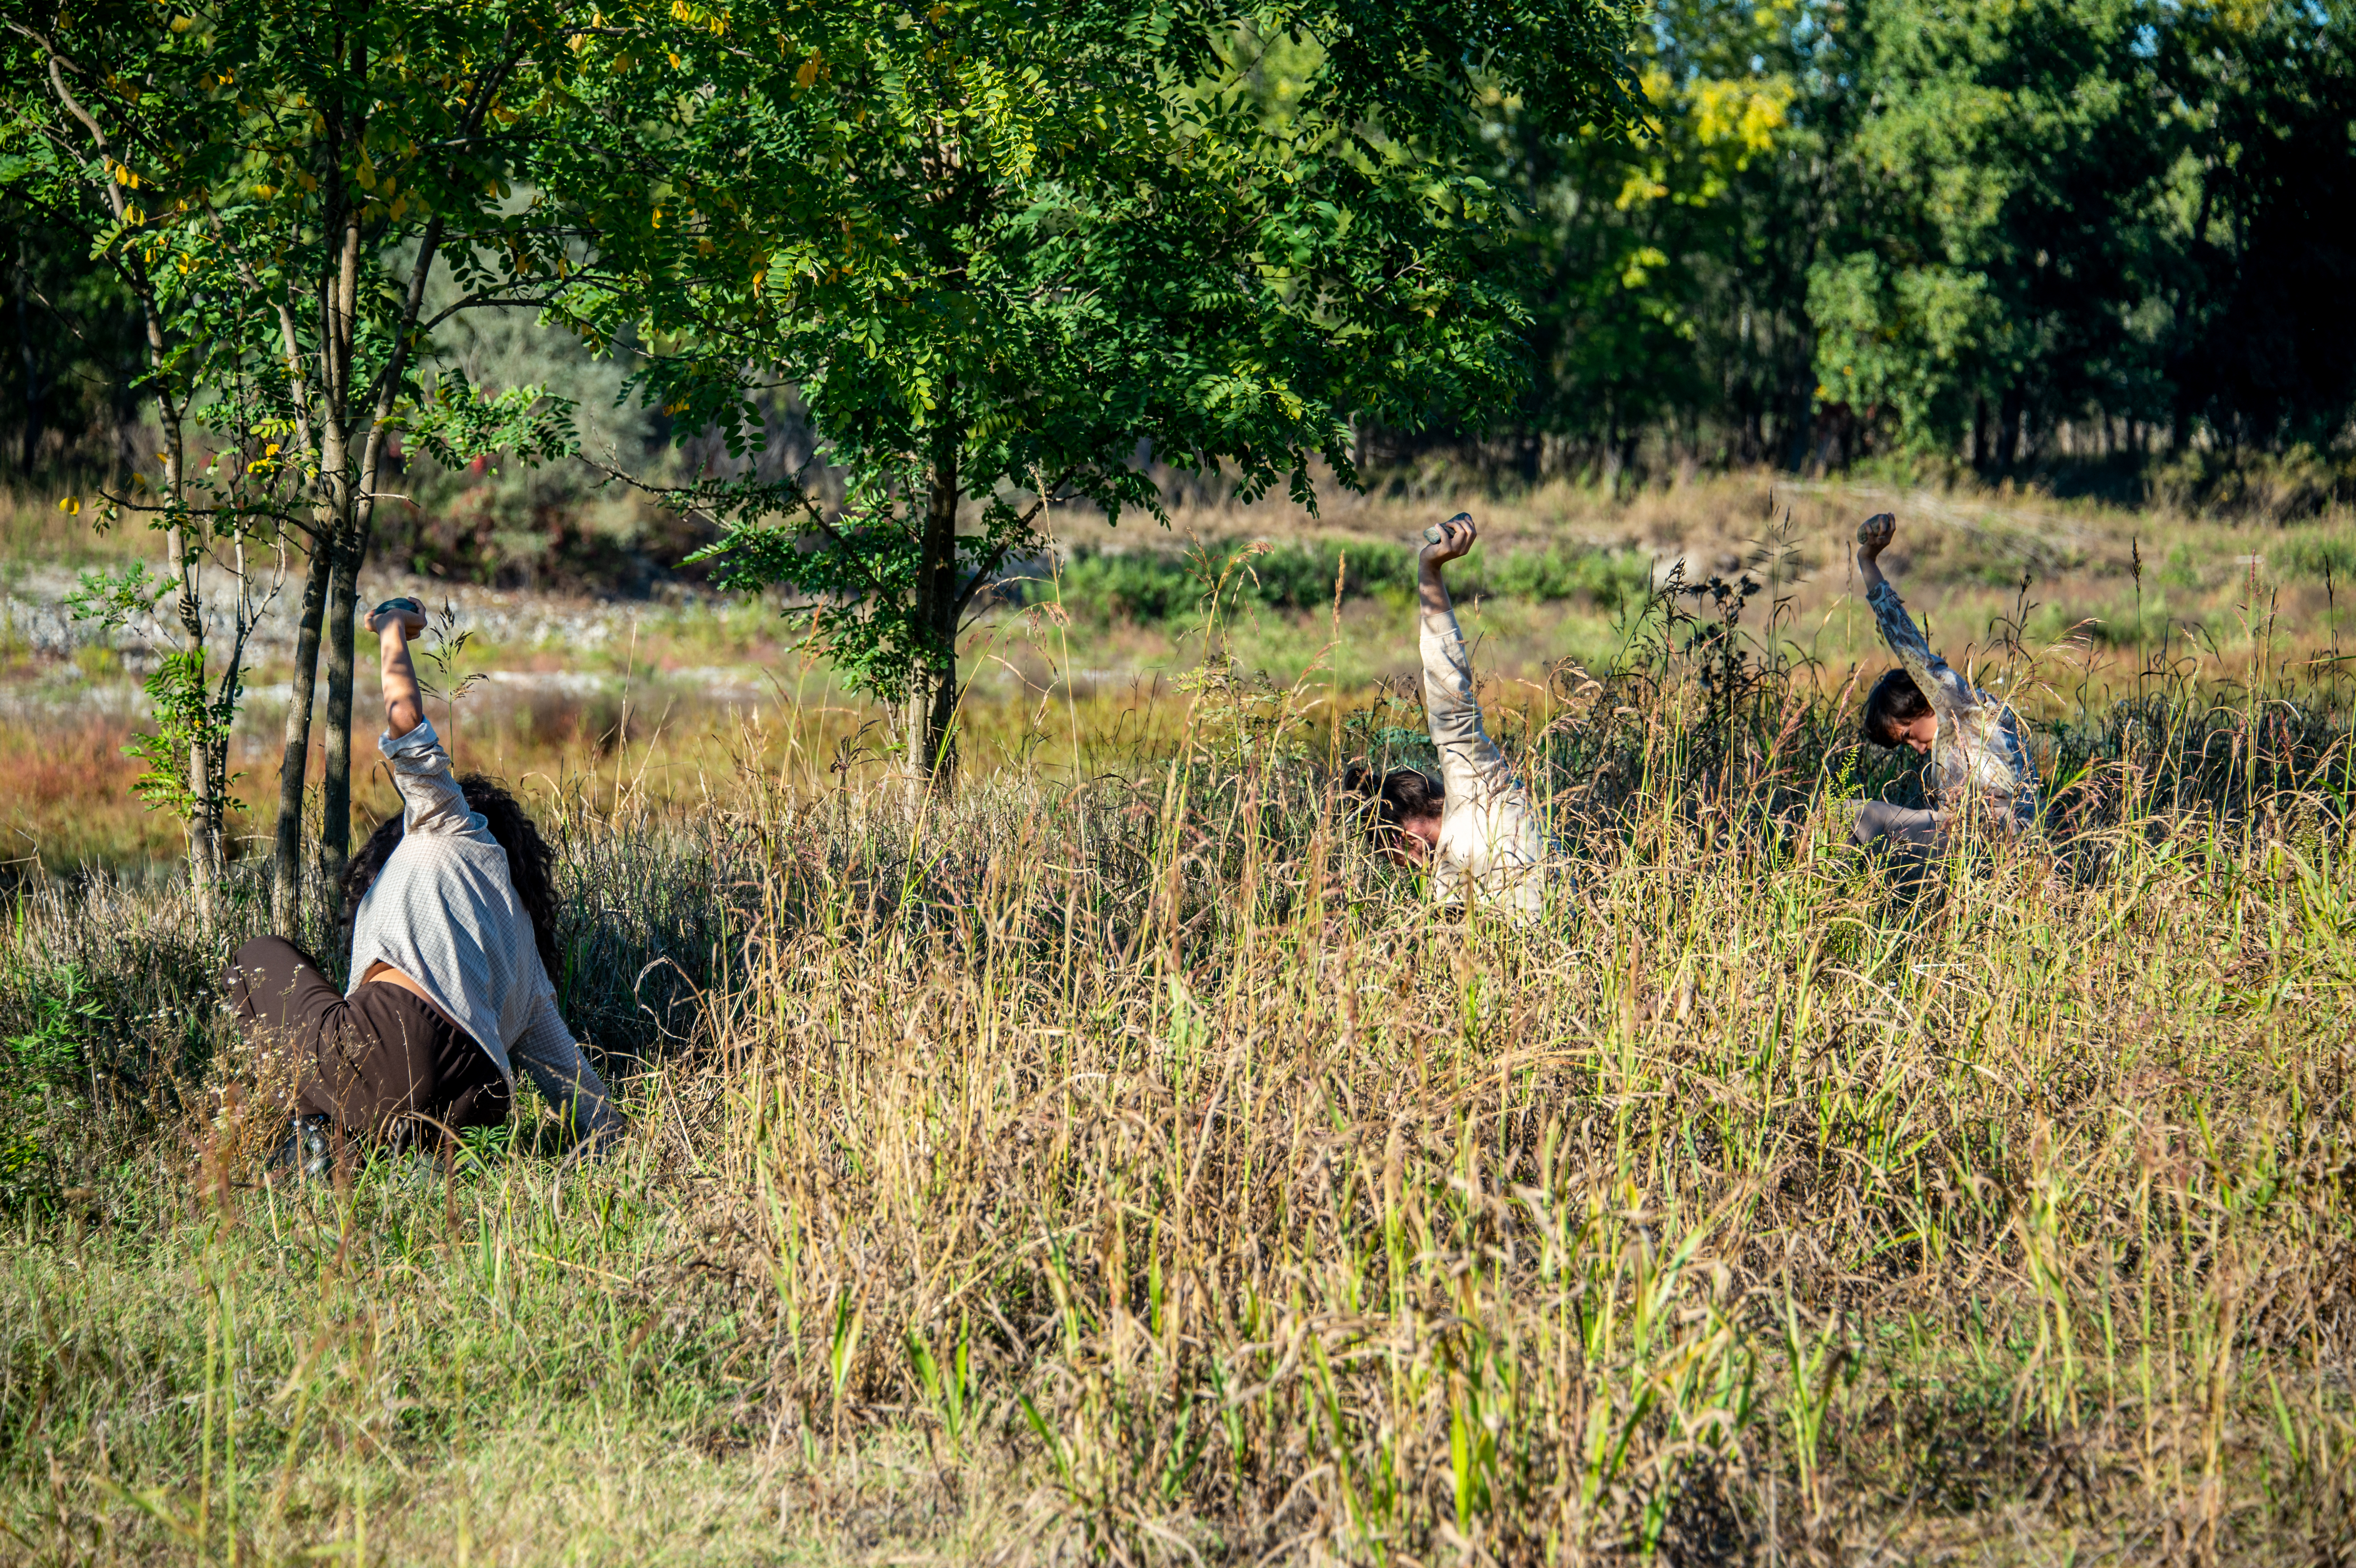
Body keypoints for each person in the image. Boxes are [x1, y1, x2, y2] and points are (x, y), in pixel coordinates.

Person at [225, 596, 623, 1174]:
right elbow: (578, 1090)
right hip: (474, 1105)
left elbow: (408, 726)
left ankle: (310, 1135)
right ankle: (376, 1152)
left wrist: (392, 629)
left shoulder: (451, 825)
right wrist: (619, 1144)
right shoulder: (527, 963)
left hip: (394, 1041)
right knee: (365, 1079)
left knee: (258, 957)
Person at [1342, 513, 1552, 916]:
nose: (1403, 861)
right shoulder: (1441, 886)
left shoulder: (1478, 788)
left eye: (1393, 845)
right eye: (1391, 857)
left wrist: (1430, 571)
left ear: (1406, 818)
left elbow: (1449, 695)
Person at [1850, 512, 2040, 851]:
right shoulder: (1947, 744)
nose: (1917, 748)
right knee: (1854, 818)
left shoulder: (1960, 707)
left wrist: (1867, 561)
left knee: (1856, 816)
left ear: (1921, 701)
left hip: (1998, 840)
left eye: (1908, 735)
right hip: (1971, 845)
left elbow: (1906, 641)